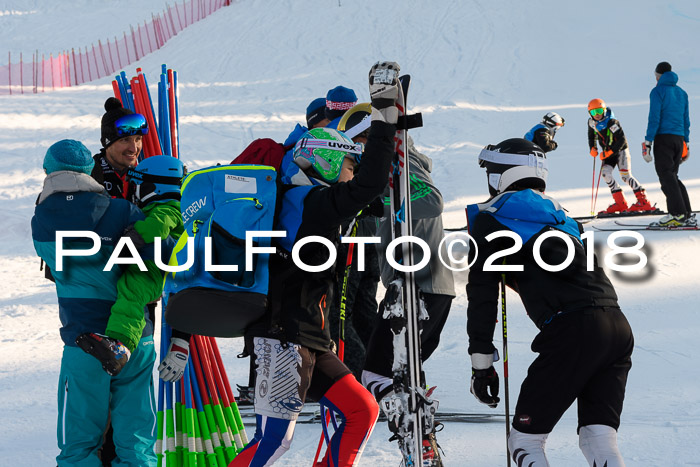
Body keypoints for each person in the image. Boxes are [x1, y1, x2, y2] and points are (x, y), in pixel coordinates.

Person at [229, 61, 400, 466]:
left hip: (309, 337)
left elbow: (366, 192)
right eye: (347, 165)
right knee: (274, 442)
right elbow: (370, 183)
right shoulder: (309, 203)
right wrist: (383, 114)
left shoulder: (309, 204)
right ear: (325, 163)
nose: (351, 173)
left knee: (361, 410)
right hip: (284, 338)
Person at [465, 138, 634, 467]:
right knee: (598, 438)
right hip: (616, 326)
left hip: (573, 329)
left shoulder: (492, 220)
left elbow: (482, 294)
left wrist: (481, 364)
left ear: (500, 175)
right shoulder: (565, 219)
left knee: (525, 441)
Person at [32, 139, 161, 466]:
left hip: (84, 342)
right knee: (137, 443)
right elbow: (155, 266)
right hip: (134, 340)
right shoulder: (122, 210)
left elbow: (59, 270)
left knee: (79, 445)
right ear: (89, 171)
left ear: (49, 171)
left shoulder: (43, 218)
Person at [361, 131, 455, 465]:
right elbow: (380, 220)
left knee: (376, 374)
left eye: (359, 141)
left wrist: (380, 199)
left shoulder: (400, 160)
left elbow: (431, 201)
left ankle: (417, 444)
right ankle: (421, 446)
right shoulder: (389, 170)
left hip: (413, 287)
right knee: (403, 376)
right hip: (426, 287)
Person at [643, 61, 694, 227]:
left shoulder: (658, 91)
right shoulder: (682, 93)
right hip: (678, 139)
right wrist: (686, 143)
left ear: (659, 75)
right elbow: (686, 120)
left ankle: (677, 214)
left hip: (664, 138)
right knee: (672, 175)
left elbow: (654, 117)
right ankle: (686, 214)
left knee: (666, 175)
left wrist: (648, 141)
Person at [587, 98, 655, 214]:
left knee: (626, 176)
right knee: (605, 173)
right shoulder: (591, 123)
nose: (597, 115)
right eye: (594, 112)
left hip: (620, 151)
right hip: (608, 153)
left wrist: (609, 152)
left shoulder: (612, 122)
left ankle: (643, 201)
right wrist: (592, 148)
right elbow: (591, 136)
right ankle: (620, 203)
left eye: (599, 111)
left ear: (603, 110)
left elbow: (622, 140)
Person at [92, 97, 145, 199]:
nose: (134, 149)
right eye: (125, 140)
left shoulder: (144, 174)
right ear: (107, 143)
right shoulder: (91, 175)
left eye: (138, 139)